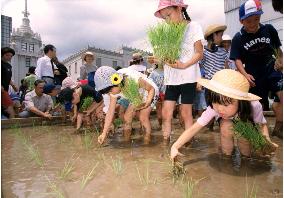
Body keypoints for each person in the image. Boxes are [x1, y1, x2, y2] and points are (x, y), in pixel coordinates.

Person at [170, 69, 278, 160]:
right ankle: (227, 158)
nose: (220, 108)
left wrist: (267, 142)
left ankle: (246, 160)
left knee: (244, 142)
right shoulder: (214, 108)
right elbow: (194, 128)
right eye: (215, 102)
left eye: (226, 105)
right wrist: (175, 146)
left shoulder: (254, 106)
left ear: (240, 101)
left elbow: (262, 125)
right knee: (226, 126)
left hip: (246, 122)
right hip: (227, 123)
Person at [151, 0, 203, 145]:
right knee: (166, 113)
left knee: (185, 113)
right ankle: (166, 144)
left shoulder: (193, 27)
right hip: (171, 79)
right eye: (164, 18)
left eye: (169, 15)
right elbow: (167, 58)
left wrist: (184, 64)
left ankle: (188, 143)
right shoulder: (166, 33)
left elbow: (199, 53)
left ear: (179, 8)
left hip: (188, 77)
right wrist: (159, 59)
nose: (167, 21)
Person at [230, 0, 283, 138]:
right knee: (255, 106)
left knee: (282, 96)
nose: (253, 24)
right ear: (241, 21)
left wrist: (280, 59)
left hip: (272, 69)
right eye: (249, 21)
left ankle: (278, 127)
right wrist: (245, 75)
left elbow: (278, 50)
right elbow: (237, 59)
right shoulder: (238, 38)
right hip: (254, 75)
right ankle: (255, 133)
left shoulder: (269, 30)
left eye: (256, 19)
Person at [94, 66, 159, 145]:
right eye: (107, 93)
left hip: (149, 91)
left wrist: (148, 102)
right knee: (126, 117)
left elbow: (151, 88)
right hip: (135, 95)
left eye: (110, 91)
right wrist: (104, 133)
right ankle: (127, 142)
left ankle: (146, 142)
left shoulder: (133, 79)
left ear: (117, 82)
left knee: (143, 117)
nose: (109, 94)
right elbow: (110, 112)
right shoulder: (112, 91)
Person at [1, 47, 17, 118]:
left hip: (5, 89)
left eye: (11, 56)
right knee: (9, 105)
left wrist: (13, 85)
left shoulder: (9, 66)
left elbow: (8, 78)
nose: (9, 57)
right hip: (2, 90)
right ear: (2, 55)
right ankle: (13, 123)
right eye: (7, 55)